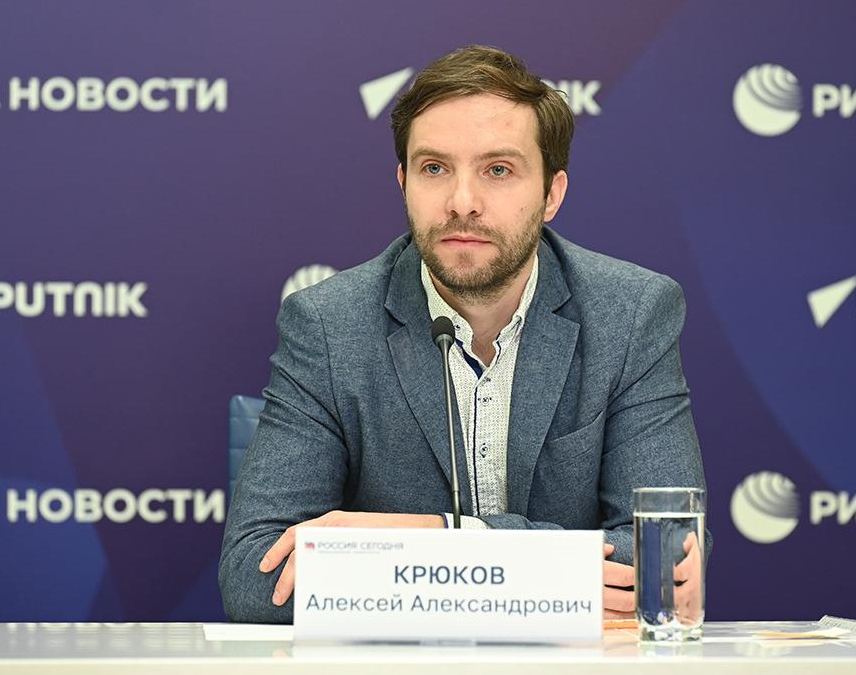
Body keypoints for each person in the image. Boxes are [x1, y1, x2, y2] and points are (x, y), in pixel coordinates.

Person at [220, 45, 707, 624]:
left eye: (498, 170)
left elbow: (665, 561)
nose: (462, 203)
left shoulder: (630, 314)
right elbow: (254, 577)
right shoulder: (329, 325)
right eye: (434, 169)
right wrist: (547, 577)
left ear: (552, 194)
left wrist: (444, 538)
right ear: (403, 183)